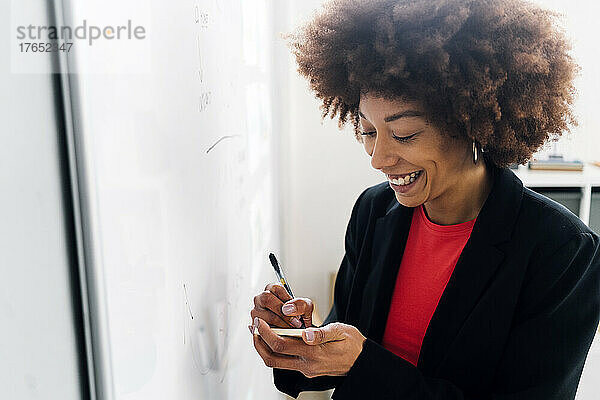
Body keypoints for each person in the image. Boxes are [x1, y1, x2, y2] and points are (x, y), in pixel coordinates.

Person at [249, 0, 600, 398]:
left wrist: (364, 363)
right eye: (367, 131)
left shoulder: (561, 251)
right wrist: (302, 341)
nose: (379, 158)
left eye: (404, 134)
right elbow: (342, 348)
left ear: (472, 123)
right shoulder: (373, 211)